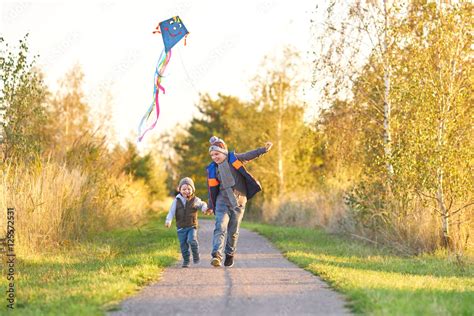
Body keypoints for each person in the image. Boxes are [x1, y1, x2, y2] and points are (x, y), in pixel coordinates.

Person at [207, 136, 272, 267]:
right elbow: (212, 189)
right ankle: (217, 255)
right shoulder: (213, 169)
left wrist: (263, 150)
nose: (214, 157)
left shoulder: (234, 158)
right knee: (220, 226)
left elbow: (249, 155)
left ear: (224, 151)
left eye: (216, 154)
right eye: (212, 155)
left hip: (239, 200)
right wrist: (210, 205)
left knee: (233, 230)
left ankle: (230, 253)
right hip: (222, 201)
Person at [165, 177, 208, 268]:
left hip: (192, 226)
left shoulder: (195, 200)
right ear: (180, 189)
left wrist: (204, 208)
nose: (186, 191)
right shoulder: (176, 201)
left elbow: (203, 204)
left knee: (192, 240)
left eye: (189, 189)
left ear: (193, 190)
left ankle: (196, 254)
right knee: (183, 246)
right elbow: (171, 212)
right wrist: (168, 221)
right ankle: (186, 260)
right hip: (180, 227)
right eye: (184, 189)